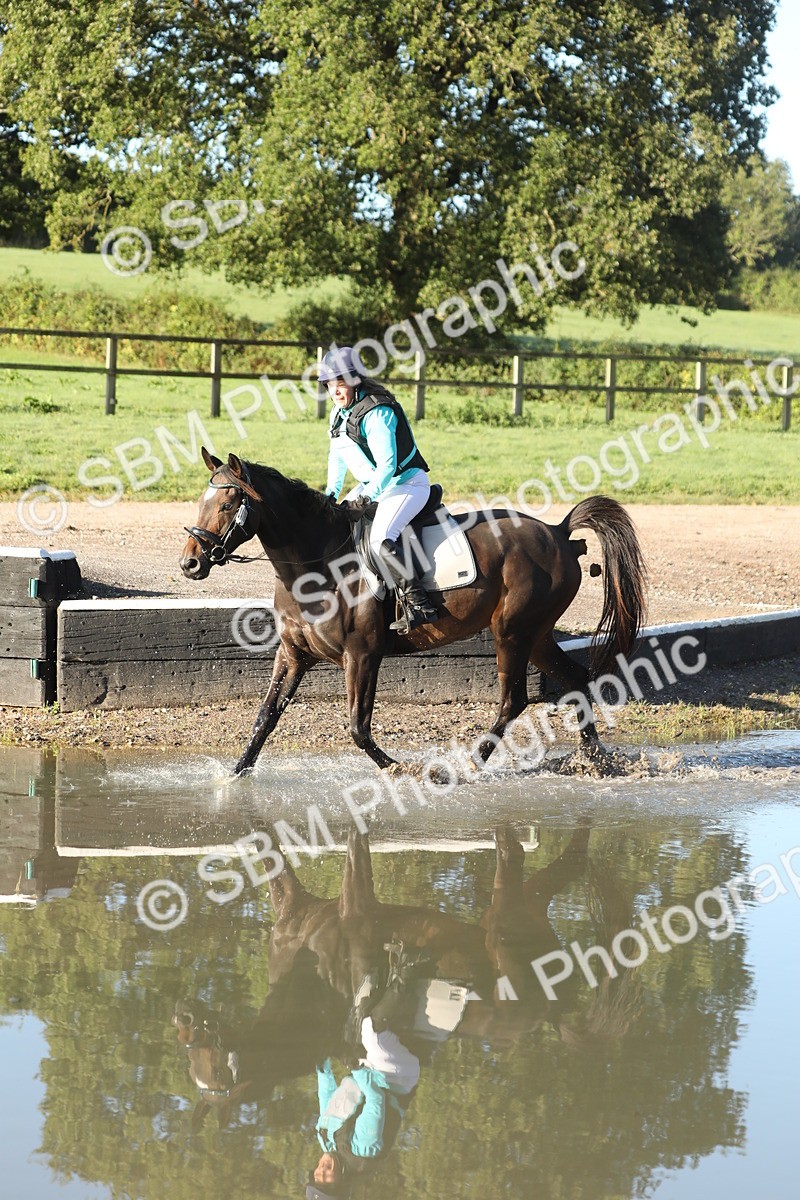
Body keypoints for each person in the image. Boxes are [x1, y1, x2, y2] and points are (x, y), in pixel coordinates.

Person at [319, 346, 440, 635]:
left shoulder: (378, 413)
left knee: (379, 540)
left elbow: (388, 466)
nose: (335, 391)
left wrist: (365, 498)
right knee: (335, 525)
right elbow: (337, 455)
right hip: (373, 486)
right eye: (329, 385)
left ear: (355, 379)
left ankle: (419, 603)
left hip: (406, 484)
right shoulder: (339, 412)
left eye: (340, 383)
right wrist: (331, 495)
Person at [306, 1012, 421, 1200]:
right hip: (394, 1078)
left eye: (317, 1176)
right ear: (340, 1182)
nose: (321, 1171)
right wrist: (354, 1068)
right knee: (370, 1028)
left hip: (366, 1067)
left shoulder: (325, 1140)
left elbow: (328, 1096)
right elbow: (376, 1098)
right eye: (327, 1180)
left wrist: (322, 1063)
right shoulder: (362, 1151)